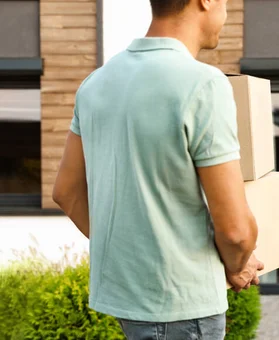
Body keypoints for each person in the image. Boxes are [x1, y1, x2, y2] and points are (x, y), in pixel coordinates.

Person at [52, 0, 264, 338]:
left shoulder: (95, 84)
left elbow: (66, 192)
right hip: (184, 305)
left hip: (130, 303)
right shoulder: (204, 85)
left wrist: (136, 257)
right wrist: (239, 265)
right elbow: (236, 231)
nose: (227, 13)